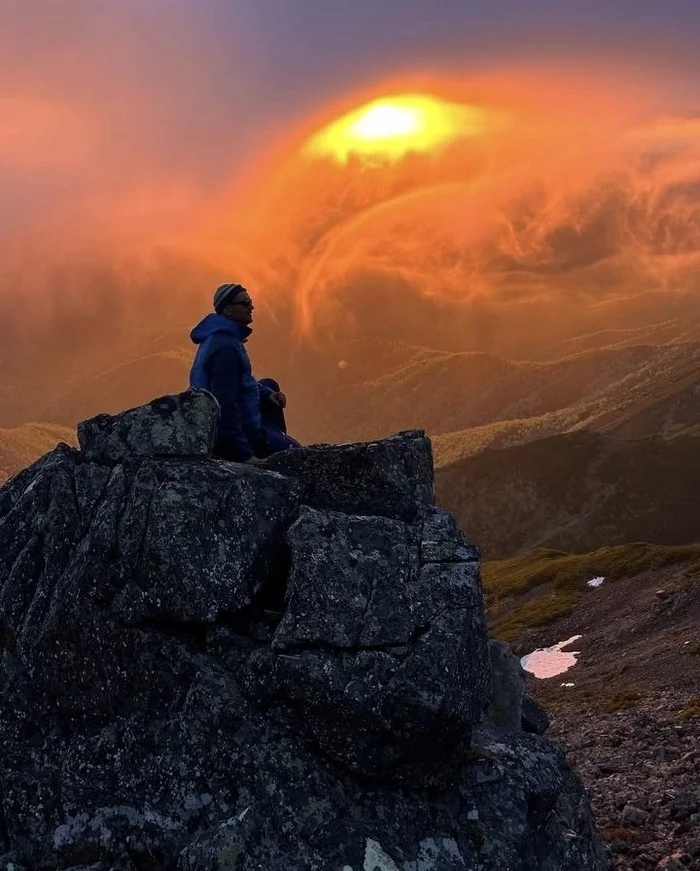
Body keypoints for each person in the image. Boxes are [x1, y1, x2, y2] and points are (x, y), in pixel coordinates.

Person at [189, 282, 300, 463]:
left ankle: (271, 438)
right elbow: (224, 405)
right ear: (227, 310)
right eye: (245, 303)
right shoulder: (226, 348)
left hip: (234, 424)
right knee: (298, 457)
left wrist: (266, 394)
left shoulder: (222, 338)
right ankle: (264, 446)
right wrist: (245, 455)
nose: (251, 307)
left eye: (250, 302)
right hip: (236, 435)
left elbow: (235, 382)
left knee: (269, 385)